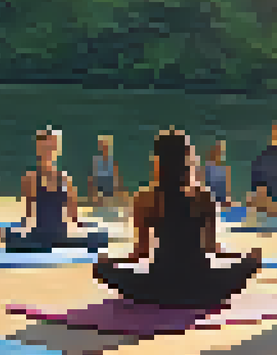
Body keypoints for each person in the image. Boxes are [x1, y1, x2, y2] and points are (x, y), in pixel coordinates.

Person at [93, 129, 263, 308]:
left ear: (157, 161)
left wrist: (112, 262)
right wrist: (243, 257)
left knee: (102, 268)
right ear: (188, 161)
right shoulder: (204, 198)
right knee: (250, 262)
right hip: (202, 285)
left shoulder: (145, 199)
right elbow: (212, 248)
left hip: (160, 285)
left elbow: (141, 253)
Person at [0, 128, 108, 252]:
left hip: (60, 237)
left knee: (100, 237)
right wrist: (13, 230)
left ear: (57, 150)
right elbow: (28, 216)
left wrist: (89, 227)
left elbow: (74, 217)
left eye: (51, 148)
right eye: (45, 148)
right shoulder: (31, 179)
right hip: (39, 236)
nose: (48, 152)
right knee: (10, 238)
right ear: (38, 150)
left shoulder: (65, 180)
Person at [89, 135, 123, 209]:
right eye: (103, 146)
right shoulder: (96, 161)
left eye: (106, 146)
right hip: (99, 194)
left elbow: (116, 179)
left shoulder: (113, 162)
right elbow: (93, 180)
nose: (104, 148)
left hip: (110, 194)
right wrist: (94, 195)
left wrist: (117, 194)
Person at [203, 139, 232, 206]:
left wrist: (227, 199)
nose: (219, 153)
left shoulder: (226, 169)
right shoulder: (208, 167)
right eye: (217, 149)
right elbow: (206, 184)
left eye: (221, 150)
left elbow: (227, 189)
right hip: (210, 198)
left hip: (221, 199)